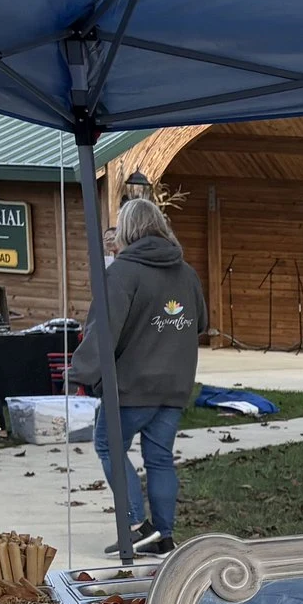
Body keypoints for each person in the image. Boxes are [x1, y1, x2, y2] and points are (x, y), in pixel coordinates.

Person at [72, 197, 206, 555]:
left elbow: (104, 329)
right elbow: (201, 324)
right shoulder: (187, 273)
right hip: (174, 384)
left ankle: (136, 523)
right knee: (160, 458)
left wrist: (81, 372)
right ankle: (164, 534)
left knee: (108, 445)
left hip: (131, 385)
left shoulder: (121, 272)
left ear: (127, 230)